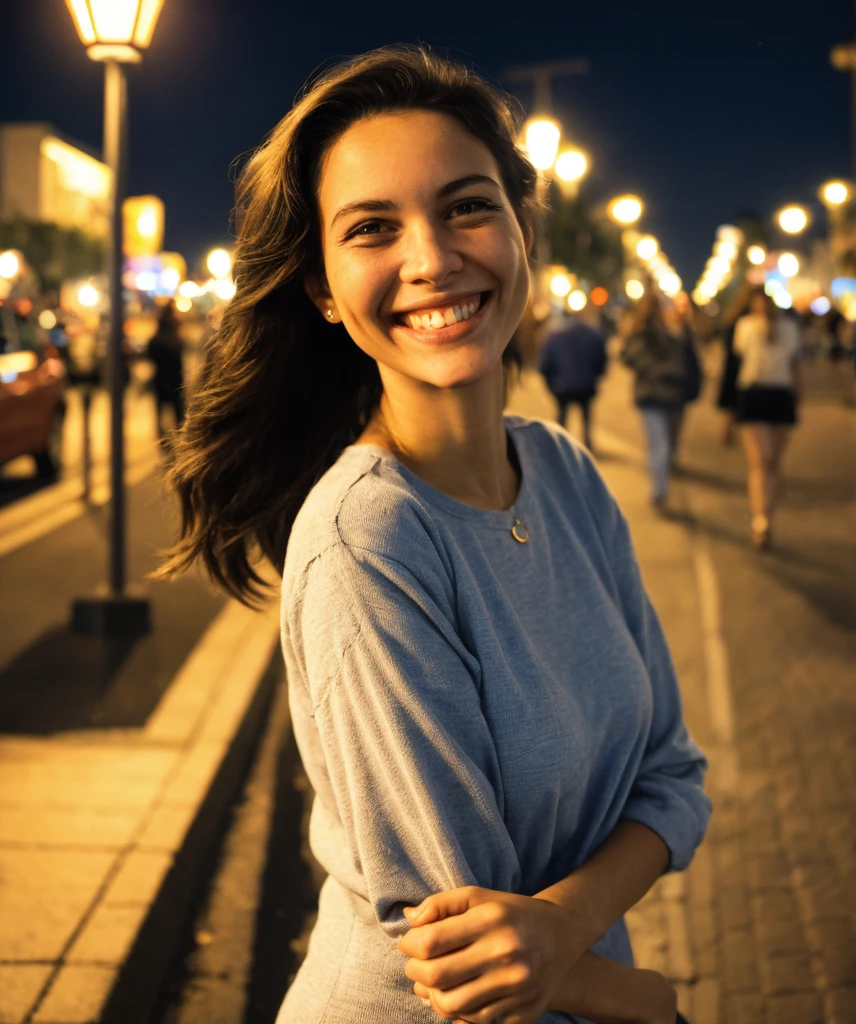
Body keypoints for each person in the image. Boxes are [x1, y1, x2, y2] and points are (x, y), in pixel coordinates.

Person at [156, 45, 708, 1024]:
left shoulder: (566, 473)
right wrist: (644, 996)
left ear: (521, 229)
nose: (432, 258)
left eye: (465, 206)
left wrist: (567, 930)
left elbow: (672, 775)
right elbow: (462, 951)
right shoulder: (368, 538)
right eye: (372, 228)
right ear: (323, 290)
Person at [733, 289, 802, 549]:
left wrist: (799, 395)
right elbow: (740, 360)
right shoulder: (746, 326)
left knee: (774, 460)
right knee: (761, 459)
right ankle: (761, 520)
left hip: (781, 395)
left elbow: (795, 365)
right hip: (753, 393)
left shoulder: (789, 328)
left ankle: (768, 511)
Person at [621, 290, 693, 510]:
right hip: (665, 396)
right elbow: (683, 363)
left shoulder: (643, 334)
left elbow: (628, 358)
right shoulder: (664, 334)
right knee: (663, 444)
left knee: (659, 443)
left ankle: (659, 488)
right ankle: (659, 490)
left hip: (655, 396)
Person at [538, 305, 607, 450]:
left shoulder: (555, 336)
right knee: (586, 417)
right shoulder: (593, 334)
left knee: (562, 417)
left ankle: (559, 445)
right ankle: (587, 445)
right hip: (586, 385)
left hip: (562, 385)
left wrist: (552, 384)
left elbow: (545, 363)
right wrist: (595, 377)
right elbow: (602, 359)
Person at [714, 282, 753, 446]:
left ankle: (728, 434)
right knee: (739, 403)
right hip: (742, 365)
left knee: (731, 406)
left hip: (732, 365)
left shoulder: (733, 317)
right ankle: (737, 435)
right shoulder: (746, 321)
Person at [147, 301, 185, 437]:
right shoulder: (177, 340)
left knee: (161, 414)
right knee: (178, 415)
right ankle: (179, 439)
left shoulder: (155, 341)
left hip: (161, 380)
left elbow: (150, 357)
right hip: (175, 379)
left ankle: (162, 440)